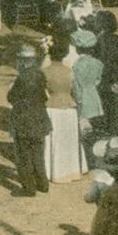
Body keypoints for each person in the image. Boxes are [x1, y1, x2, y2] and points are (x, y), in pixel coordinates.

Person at [7, 44, 51, 195]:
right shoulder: (40, 75)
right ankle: (43, 184)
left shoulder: (21, 78)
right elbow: (44, 96)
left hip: (24, 120)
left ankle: (29, 187)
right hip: (39, 118)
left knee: (24, 155)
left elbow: (11, 98)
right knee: (38, 154)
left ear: (23, 61)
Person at [42, 42, 85, 182]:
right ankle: (71, 170)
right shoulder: (70, 71)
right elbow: (77, 92)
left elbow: (42, 91)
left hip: (51, 107)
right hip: (69, 107)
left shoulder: (44, 71)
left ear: (50, 54)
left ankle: (53, 171)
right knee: (68, 140)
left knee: (54, 140)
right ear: (64, 55)